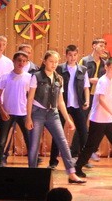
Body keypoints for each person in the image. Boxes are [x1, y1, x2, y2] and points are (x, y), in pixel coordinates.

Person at [26, 50, 85, 184]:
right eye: (51, 61)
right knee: (34, 144)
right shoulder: (36, 76)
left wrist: (68, 119)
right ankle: (31, 173)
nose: (54, 64)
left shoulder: (59, 78)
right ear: (45, 61)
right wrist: (28, 117)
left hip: (53, 113)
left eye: (56, 62)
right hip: (38, 112)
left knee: (63, 142)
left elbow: (60, 101)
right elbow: (30, 98)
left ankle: (71, 173)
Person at [74, 57, 112, 178]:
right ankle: (77, 168)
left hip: (109, 120)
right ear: (106, 67)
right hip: (98, 119)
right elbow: (101, 100)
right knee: (91, 146)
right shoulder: (102, 81)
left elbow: (110, 100)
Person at [49, 45, 90, 169]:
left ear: (77, 55)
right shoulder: (59, 69)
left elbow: (86, 87)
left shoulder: (82, 69)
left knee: (83, 132)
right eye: (70, 55)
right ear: (66, 55)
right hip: (62, 105)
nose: (72, 57)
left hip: (77, 105)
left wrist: (87, 100)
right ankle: (53, 161)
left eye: (75, 55)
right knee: (57, 132)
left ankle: (84, 159)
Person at [0, 51, 32, 167]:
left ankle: (33, 166)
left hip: (23, 113)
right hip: (8, 113)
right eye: (19, 60)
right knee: (1, 142)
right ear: (13, 61)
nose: (21, 63)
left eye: (24, 61)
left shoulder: (29, 77)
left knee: (30, 141)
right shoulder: (5, 77)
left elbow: (31, 97)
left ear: (26, 63)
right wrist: (2, 111)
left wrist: (29, 115)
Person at [79, 38, 107, 163]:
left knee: (97, 125)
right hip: (86, 96)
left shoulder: (104, 63)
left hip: (98, 96)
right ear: (94, 46)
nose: (103, 48)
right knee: (82, 123)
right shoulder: (85, 60)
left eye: (104, 46)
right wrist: (90, 80)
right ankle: (77, 151)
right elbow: (79, 77)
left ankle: (90, 151)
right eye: (101, 45)